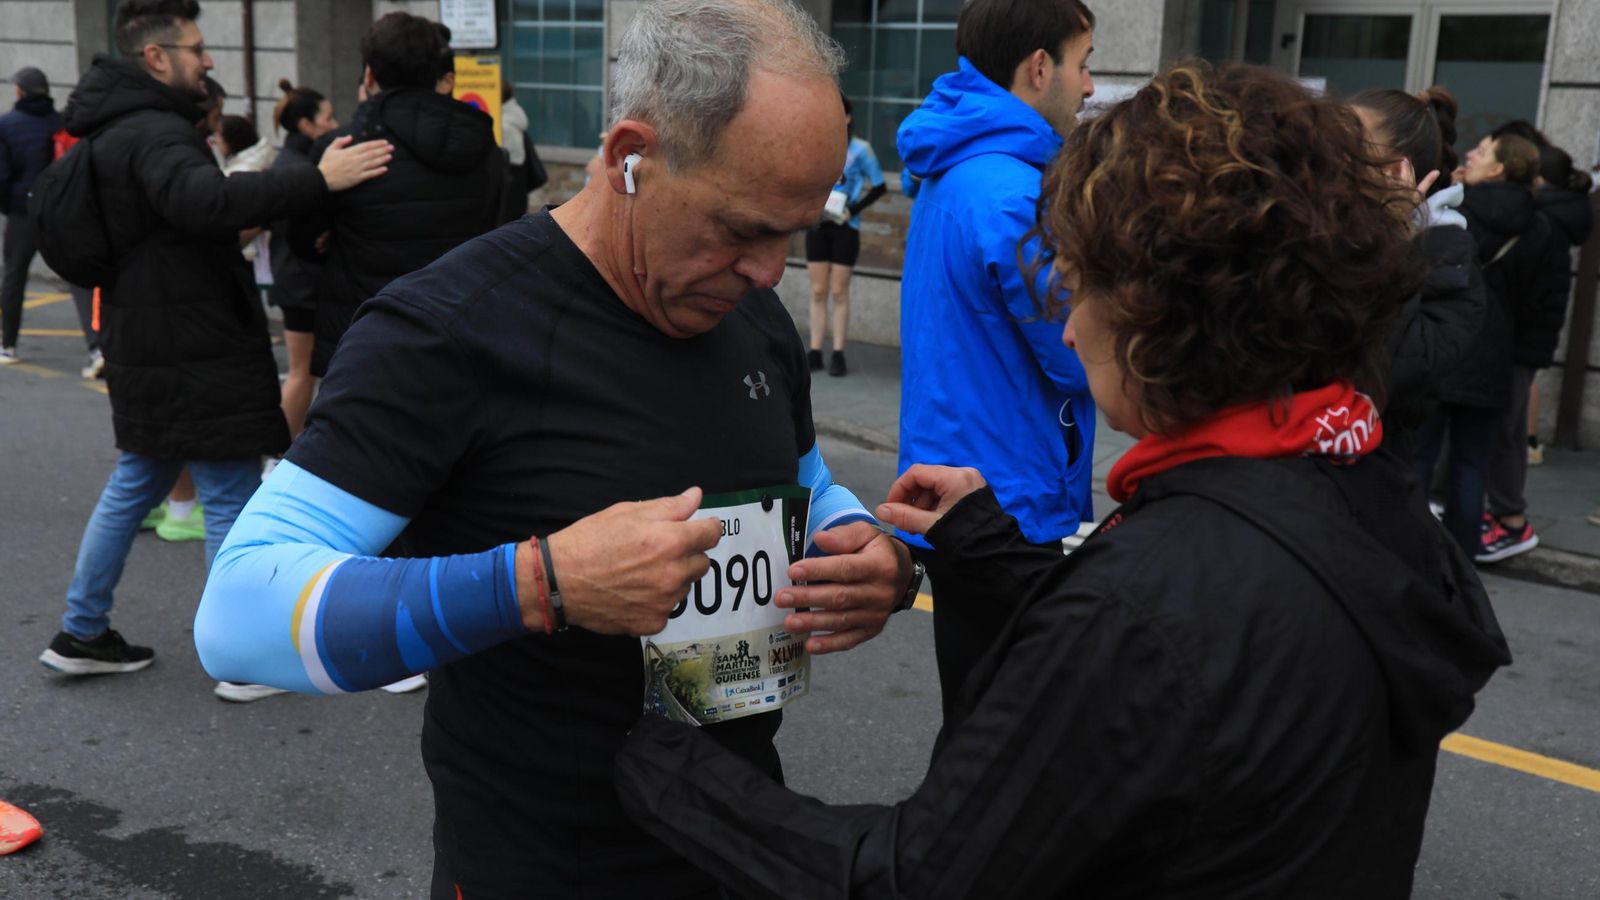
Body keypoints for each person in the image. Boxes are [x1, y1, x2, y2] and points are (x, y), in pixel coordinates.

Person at [614, 61, 1512, 900]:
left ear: (1163, 310)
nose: (1070, 333)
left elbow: (915, 875)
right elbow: (1206, 661)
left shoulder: (1145, 606)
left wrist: (657, 761)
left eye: (1078, 290)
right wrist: (988, 546)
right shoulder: (1358, 475)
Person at [196, 0, 917, 895]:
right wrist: (541, 584)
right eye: (742, 230)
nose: (772, 272)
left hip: (741, 846)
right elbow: (236, 616)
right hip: (538, 865)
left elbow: (800, 477)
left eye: (794, 233)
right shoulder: (447, 334)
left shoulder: (750, 314)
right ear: (628, 159)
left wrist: (873, 558)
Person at [35, 0, 390, 682]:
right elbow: (205, 202)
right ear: (157, 58)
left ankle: (82, 629)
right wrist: (319, 179)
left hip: (146, 328)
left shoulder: (116, 131)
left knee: (136, 479)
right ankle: (240, 658)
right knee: (227, 488)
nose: (210, 59)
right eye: (198, 48)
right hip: (191, 335)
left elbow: (183, 217)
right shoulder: (159, 133)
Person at [893, 0, 1098, 720]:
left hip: (954, 478)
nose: (1092, 85)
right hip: (1006, 497)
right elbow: (1079, 357)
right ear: (1039, 68)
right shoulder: (1015, 192)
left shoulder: (955, 168)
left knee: (976, 708)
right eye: (1084, 62)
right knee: (1012, 731)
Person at [288, 11, 509, 378]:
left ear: (370, 75)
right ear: (437, 75)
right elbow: (499, 228)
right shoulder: (482, 143)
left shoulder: (342, 147)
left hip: (364, 338)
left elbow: (301, 240)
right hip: (460, 333)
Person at [1430, 132, 1566, 564]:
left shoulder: (1456, 210)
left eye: (1483, 151)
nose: (1471, 153)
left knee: (1419, 455)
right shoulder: (1540, 225)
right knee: (1472, 464)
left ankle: (1411, 552)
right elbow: (1540, 301)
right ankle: (1461, 561)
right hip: (1494, 359)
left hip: (1444, 346)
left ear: (1499, 168)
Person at [1349, 87, 1487, 458]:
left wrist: (1391, 237)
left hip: (1369, 470)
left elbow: (1389, 371)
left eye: (1349, 148)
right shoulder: (1314, 230)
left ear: (1397, 171)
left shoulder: (1450, 261)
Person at [267, 78, 337, 438]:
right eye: (328, 118)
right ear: (305, 125)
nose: (335, 125)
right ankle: (279, 456)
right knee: (301, 373)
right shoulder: (300, 167)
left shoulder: (293, 161)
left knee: (303, 372)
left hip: (294, 281)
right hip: (300, 283)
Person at [802, 92, 885, 376]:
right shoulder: (818, 144)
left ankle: (838, 352)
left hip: (846, 227)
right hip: (818, 225)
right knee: (817, 290)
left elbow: (880, 185)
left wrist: (852, 208)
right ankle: (814, 350)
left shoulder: (861, 150)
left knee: (838, 291)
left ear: (848, 116)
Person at [0, 66, 64, 365]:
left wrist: (8, 205)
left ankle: (8, 344)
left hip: (22, 211)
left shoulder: (7, 124)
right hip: (57, 210)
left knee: (14, 276)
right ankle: (95, 347)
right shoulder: (60, 123)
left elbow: (2, 173)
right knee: (80, 281)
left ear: (20, 92)